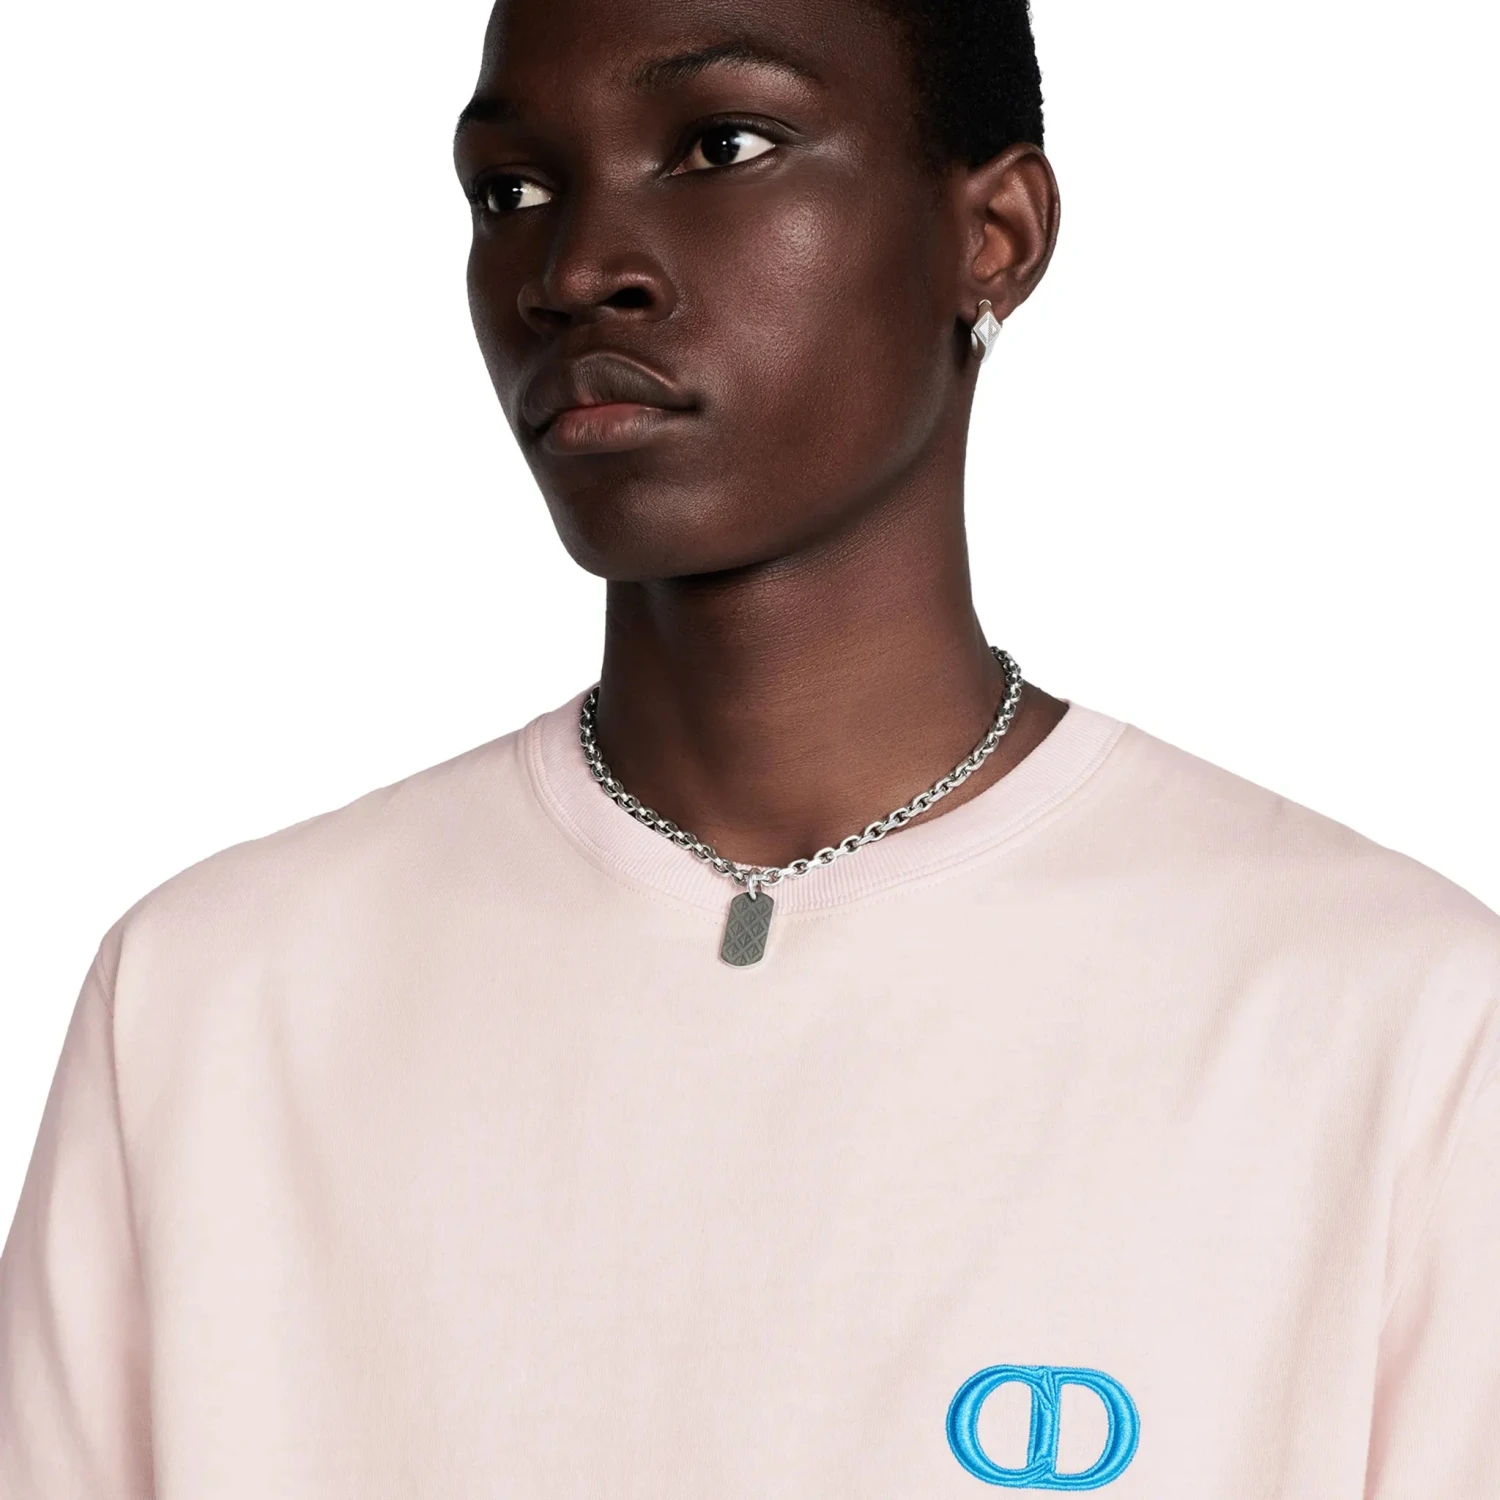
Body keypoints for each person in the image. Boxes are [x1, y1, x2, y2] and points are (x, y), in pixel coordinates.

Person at [2, 0, 1496, 1493]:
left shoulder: (1390, 1017)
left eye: (723, 146)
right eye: (511, 190)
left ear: (995, 236)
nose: (575, 271)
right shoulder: (213, 1003)